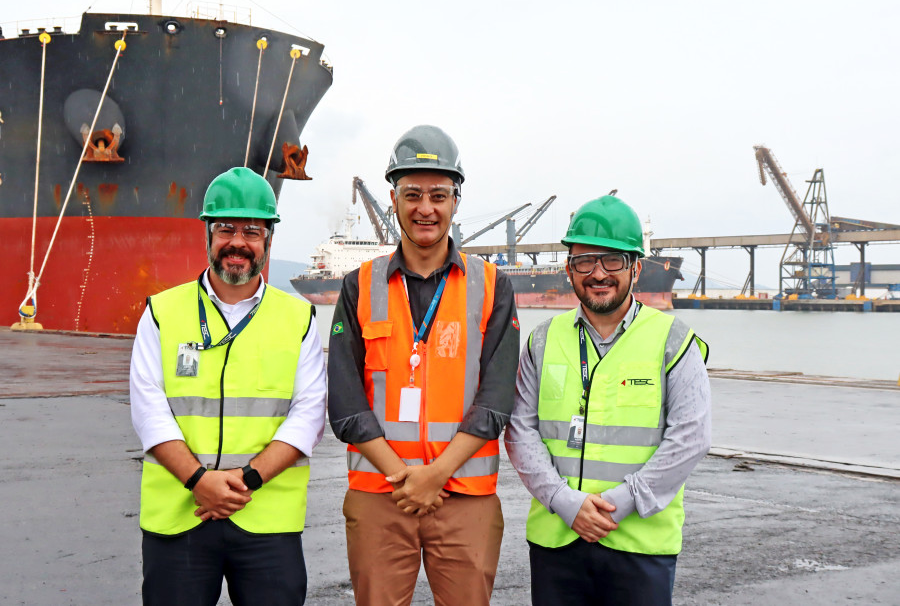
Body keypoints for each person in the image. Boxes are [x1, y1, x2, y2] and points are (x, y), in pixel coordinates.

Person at [327, 125, 520, 606]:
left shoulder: (493, 286)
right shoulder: (359, 286)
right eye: (412, 194)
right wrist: (404, 476)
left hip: (464, 495)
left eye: (439, 194)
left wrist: (435, 475)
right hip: (379, 492)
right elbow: (346, 401)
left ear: (456, 200)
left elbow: (496, 397)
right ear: (392, 199)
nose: (426, 208)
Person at [129, 166, 327, 606]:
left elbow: (309, 415)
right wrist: (198, 480)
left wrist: (246, 480)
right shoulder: (162, 313)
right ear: (207, 234)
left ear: (268, 240)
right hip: (179, 516)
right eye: (226, 228)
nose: (238, 242)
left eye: (252, 231)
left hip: (267, 519)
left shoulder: (298, 319)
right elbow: (149, 409)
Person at [504, 194, 712, 605]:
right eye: (585, 261)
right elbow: (519, 429)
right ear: (569, 269)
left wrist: (621, 502)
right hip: (556, 542)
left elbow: (691, 437)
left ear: (636, 267)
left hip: (639, 545)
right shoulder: (543, 340)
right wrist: (565, 502)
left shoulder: (673, 341)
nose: (598, 273)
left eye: (613, 260)